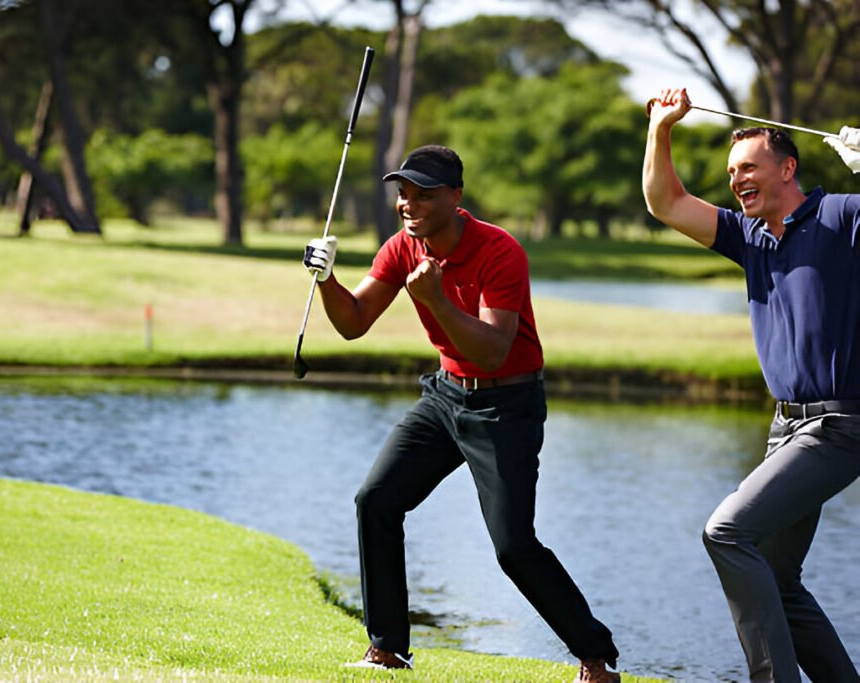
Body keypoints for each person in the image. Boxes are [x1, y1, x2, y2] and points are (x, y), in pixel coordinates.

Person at [302, 145, 621, 683]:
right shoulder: (402, 247)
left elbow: (494, 349)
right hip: (446, 397)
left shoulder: (500, 251)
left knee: (514, 546)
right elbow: (354, 322)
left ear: (455, 197)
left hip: (507, 405)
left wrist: (439, 301)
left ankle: (595, 658)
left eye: (423, 194)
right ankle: (387, 651)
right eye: (403, 193)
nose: (409, 204)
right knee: (376, 500)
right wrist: (327, 279)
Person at [643, 88, 860, 682]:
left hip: (839, 425)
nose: (737, 179)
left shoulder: (842, 216)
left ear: (787, 168)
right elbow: (666, 201)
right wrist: (662, 128)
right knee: (776, 575)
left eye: (750, 167)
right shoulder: (749, 235)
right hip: (785, 427)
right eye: (731, 170)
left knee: (727, 532)